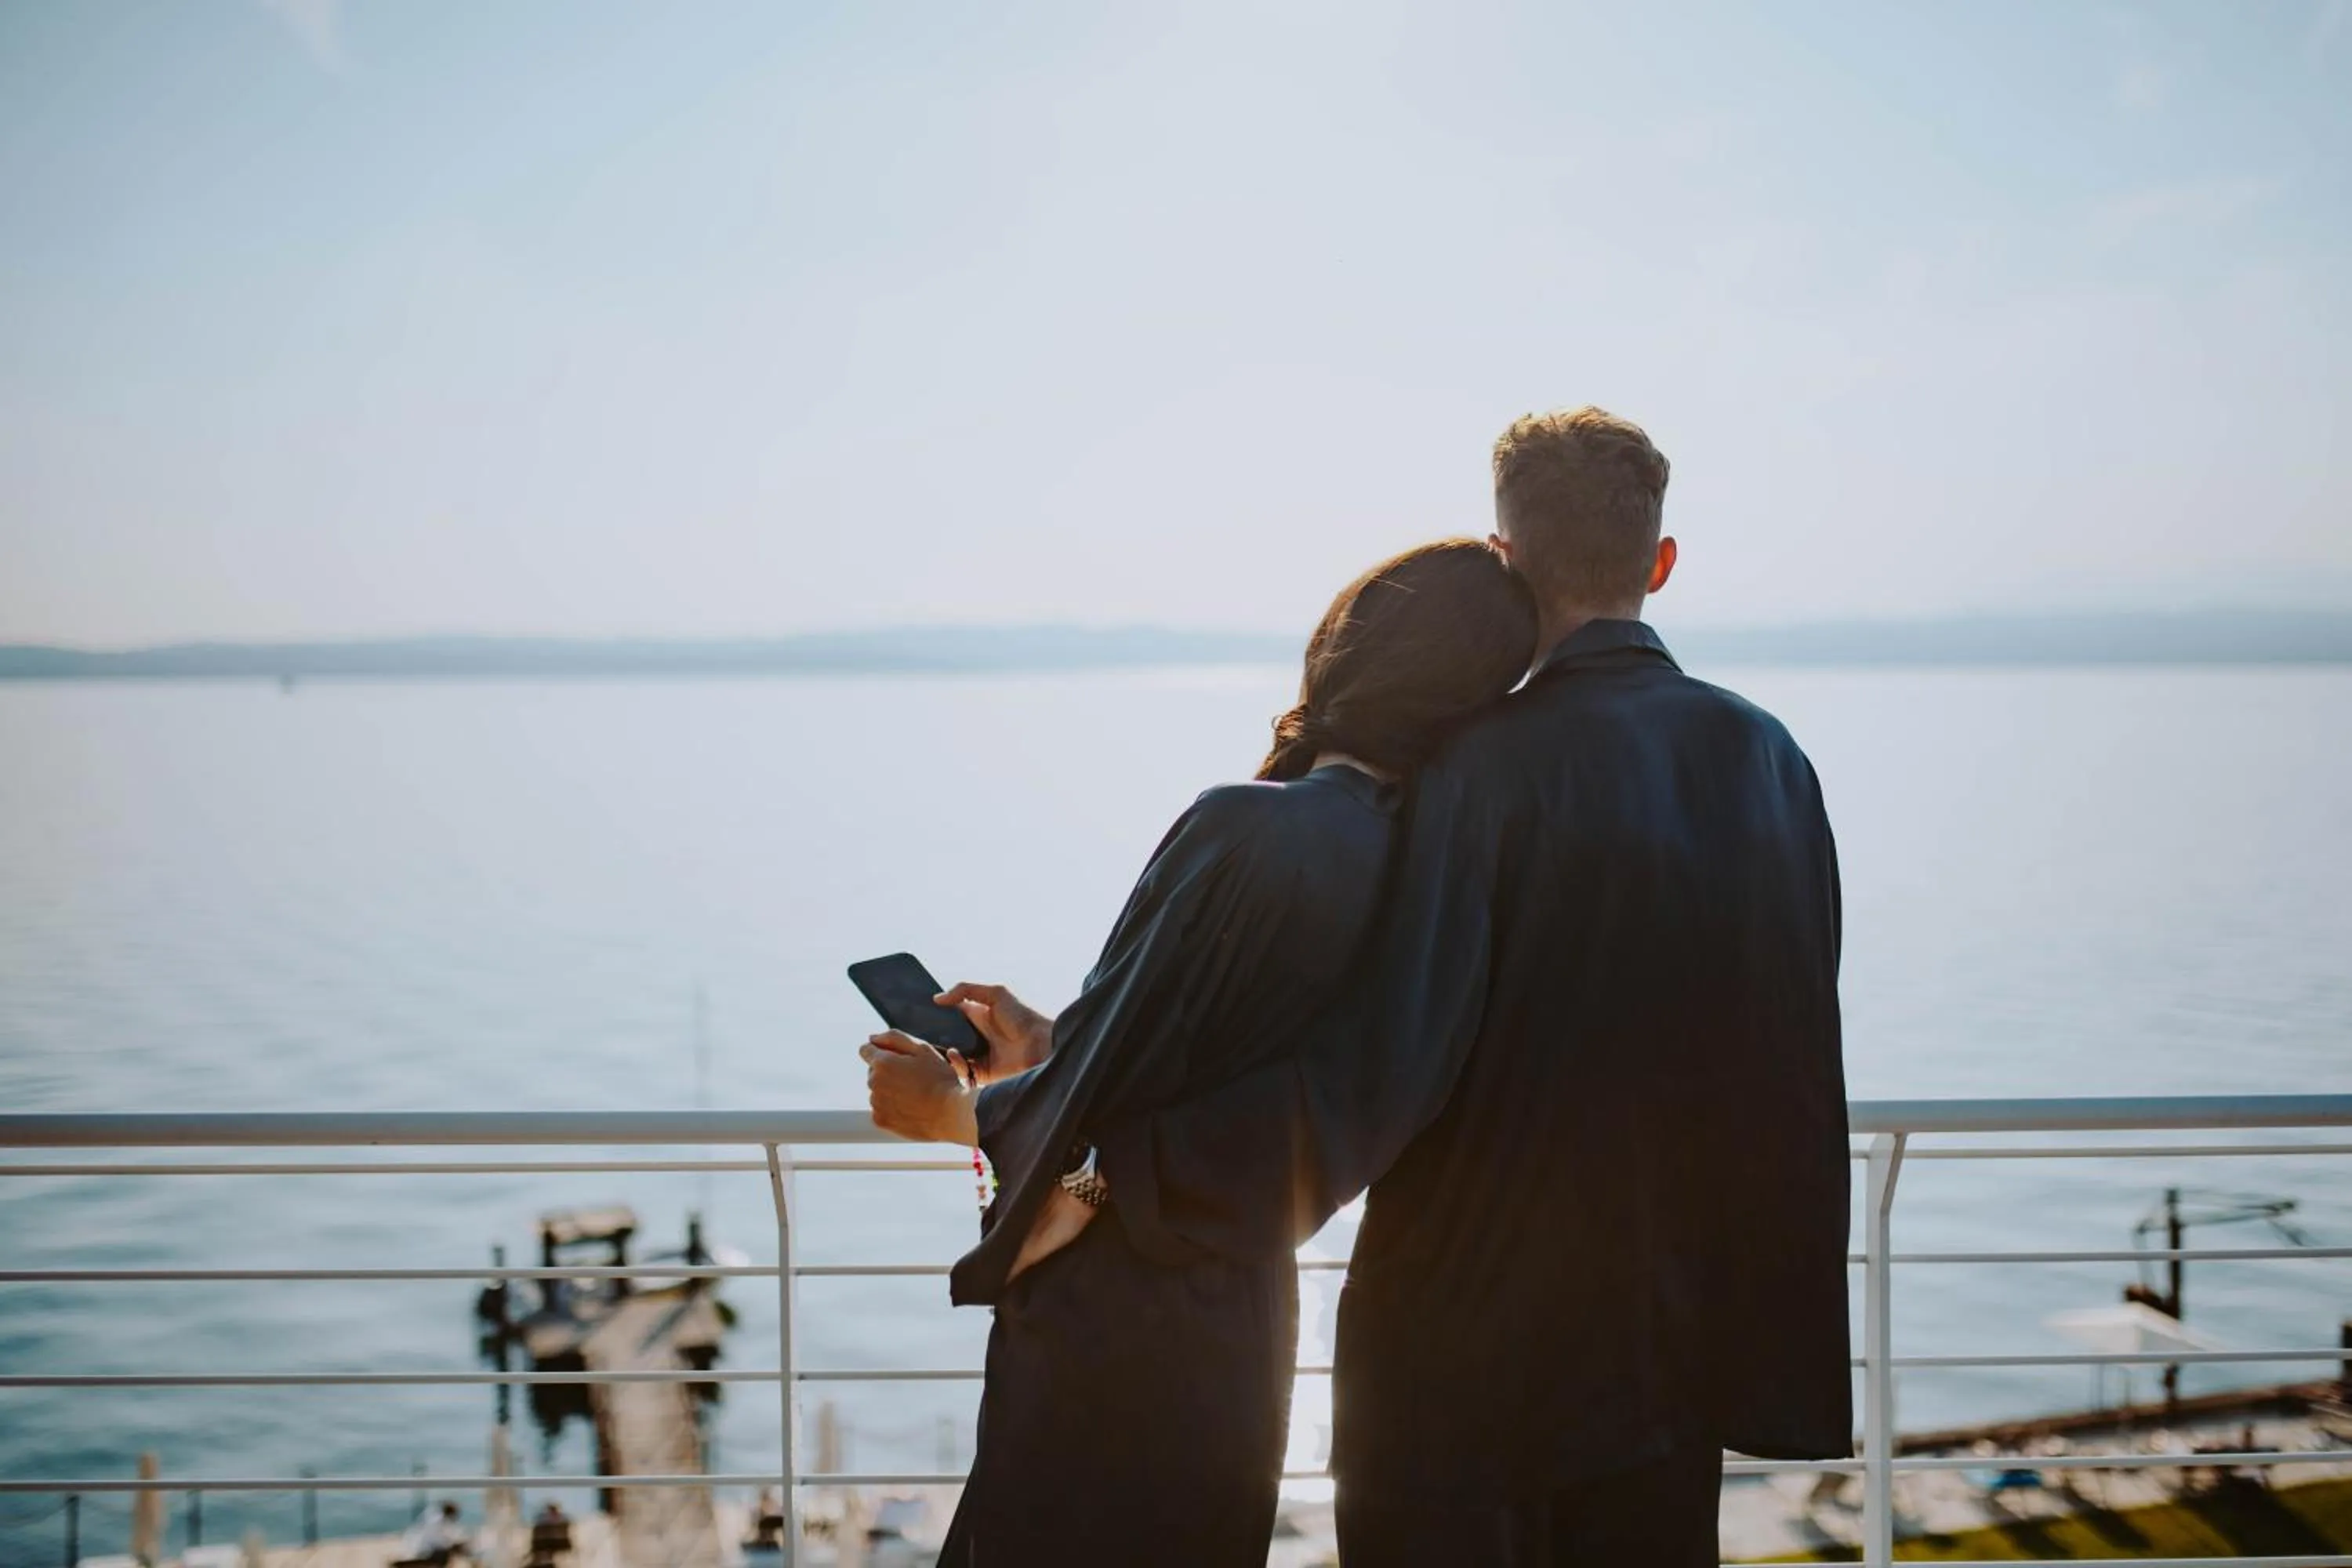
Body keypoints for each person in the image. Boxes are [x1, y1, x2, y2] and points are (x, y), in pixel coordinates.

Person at [1065, 407, 1855, 1566]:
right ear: (1661, 564)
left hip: (1458, 1387)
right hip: (1670, 1379)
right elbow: (1793, 1071)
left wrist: (1101, 1176)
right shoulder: (1775, 763)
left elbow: (1370, 1080)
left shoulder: (1475, 770)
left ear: (1504, 559)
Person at [862, 539, 1541, 1566]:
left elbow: (1108, 1150)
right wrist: (1051, 1048)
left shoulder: (1250, 828)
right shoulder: (1425, 876)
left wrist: (953, 1110)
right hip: (1238, 1333)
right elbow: (1262, 1102)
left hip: (1117, 1332)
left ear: (1348, 648)